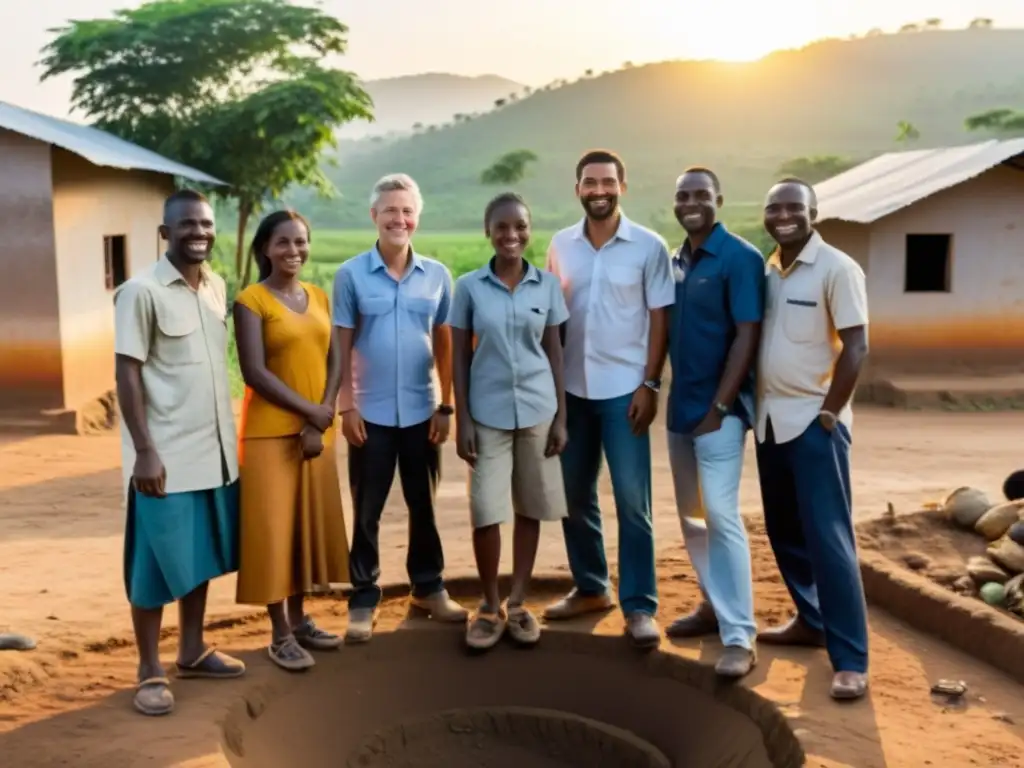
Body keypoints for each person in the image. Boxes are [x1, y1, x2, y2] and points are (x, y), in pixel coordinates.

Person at [114, 189, 245, 717]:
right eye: (187, 224)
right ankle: (149, 667)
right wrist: (144, 450)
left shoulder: (215, 287)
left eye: (207, 223)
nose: (199, 232)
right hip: (162, 457)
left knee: (201, 556)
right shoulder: (140, 291)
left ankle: (192, 649)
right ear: (165, 233)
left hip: (212, 453)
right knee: (152, 565)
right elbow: (127, 372)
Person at [543, 149, 675, 648]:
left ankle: (640, 606)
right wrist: (552, 394)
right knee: (573, 497)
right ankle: (591, 586)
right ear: (577, 188)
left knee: (631, 501)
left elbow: (659, 317)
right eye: (589, 182)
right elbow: (554, 316)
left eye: (607, 182)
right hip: (572, 390)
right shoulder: (561, 245)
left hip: (626, 392)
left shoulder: (648, 246)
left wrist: (651, 383)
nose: (599, 190)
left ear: (623, 185)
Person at [332, 173, 468, 642]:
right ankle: (364, 595)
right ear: (374, 216)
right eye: (390, 210)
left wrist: (445, 407)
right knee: (366, 508)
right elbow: (342, 344)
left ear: (417, 217)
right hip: (368, 413)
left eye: (407, 210)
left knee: (423, 505)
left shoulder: (437, 277)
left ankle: (428, 588)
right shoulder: (350, 275)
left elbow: (446, 345)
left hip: (421, 411)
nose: (399, 218)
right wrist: (345, 406)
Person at [755, 178, 871, 700]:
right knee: (785, 530)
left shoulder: (838, 268)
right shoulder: (770, 268)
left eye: (793, 207)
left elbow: (857, 347)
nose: (783, 215)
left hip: (813, 424)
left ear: (813, 212)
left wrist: (829, 414)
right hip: (770, 422)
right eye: (774, 208)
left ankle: (850, 660)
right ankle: (811, 619)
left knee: (829, 540)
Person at [450, 193, 570, 651]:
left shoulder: (547, 286)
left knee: (530, 506)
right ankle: (489, 604)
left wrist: (561, 416)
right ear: (488, 231)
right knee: (485, 510)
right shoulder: (470, 288)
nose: (511, 235)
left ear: (529, 229)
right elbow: (460, 357)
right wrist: (462, 419)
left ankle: (518, 602)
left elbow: (555, 351)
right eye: (501, 227)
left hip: (538, 410)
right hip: (488, 414)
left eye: (519, 226)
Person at [233, 210, 349, 671]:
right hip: (268, 437)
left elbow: (335, 357)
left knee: (303, 530)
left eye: (300, 242)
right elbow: (254, 372)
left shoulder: (319, 296)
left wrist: (320, 417)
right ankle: (279, 633)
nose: (293, 251)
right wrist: (309, 413)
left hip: (315, 434)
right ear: (265, 248)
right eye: (283, 243)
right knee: (273, 533)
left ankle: (300, 620)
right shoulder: (251, 301)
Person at [664, 168, 764, 678]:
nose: (692, 202)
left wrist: (720, 408)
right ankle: (712, 607)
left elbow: (747, 336)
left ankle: (740, 636)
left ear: (718, 199)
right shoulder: (675, 260)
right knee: (693, 520)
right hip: (680, 413)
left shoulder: (739, 259)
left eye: (701, 194)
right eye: (683, 195)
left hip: (719, 416)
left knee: (722, 516)